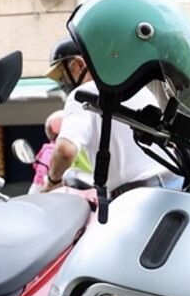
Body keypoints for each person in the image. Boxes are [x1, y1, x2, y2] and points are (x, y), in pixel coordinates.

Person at [42, 36, 172, 196]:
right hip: (172, 186)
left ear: (78, 65)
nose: (62, 82)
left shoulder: (83, 95)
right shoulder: (137, 89)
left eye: (62, 75)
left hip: (137, 198)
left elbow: (65, 151)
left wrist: (52, 181)